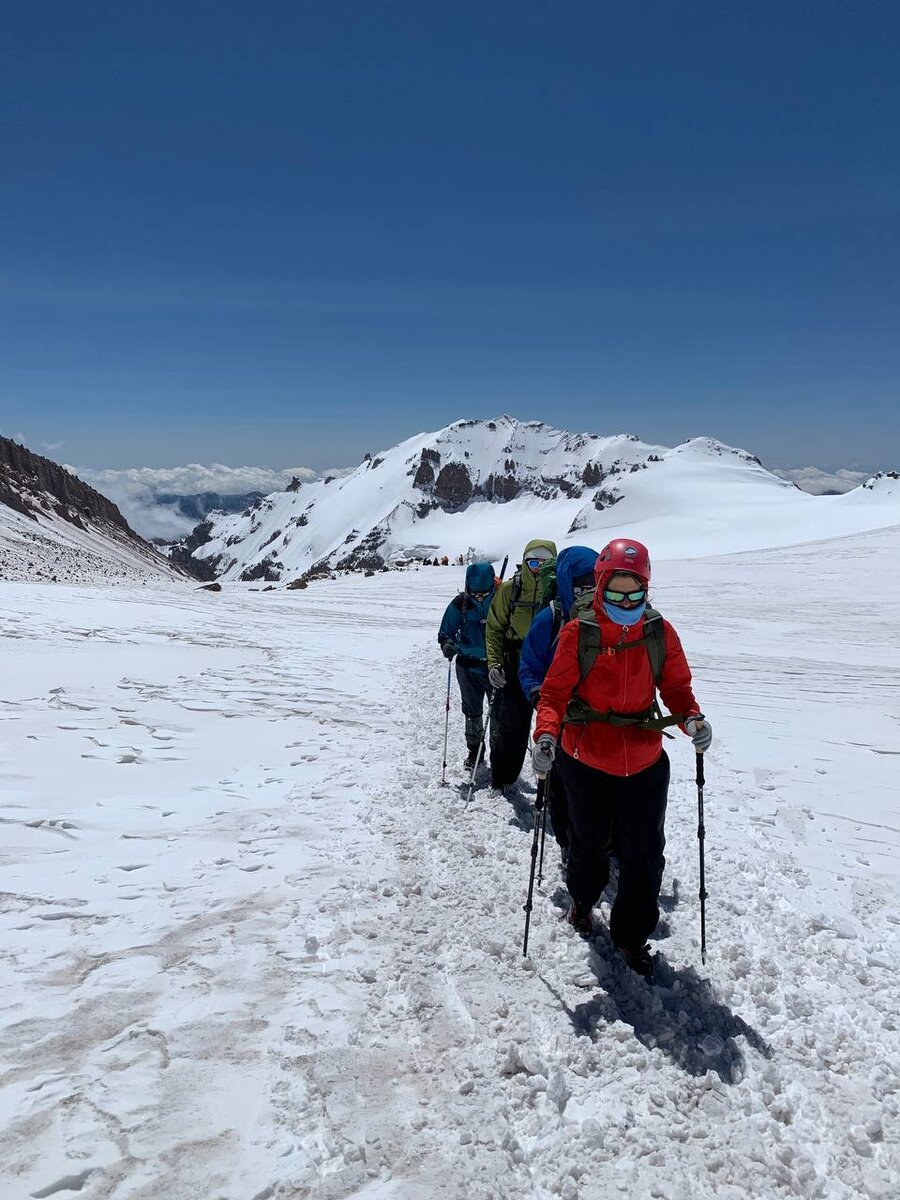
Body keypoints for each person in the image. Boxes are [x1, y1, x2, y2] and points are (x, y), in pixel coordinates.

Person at [531, 538, 712, 978]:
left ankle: (631, 936)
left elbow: (676, 688)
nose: (626, 600)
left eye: (635, 591)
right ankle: (582, 900)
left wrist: (692, 719)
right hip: (585, 758)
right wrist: (546, 736)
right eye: (617, 591)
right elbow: (553, 694)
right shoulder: (579, 633)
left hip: (645, 762)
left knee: (644, 854)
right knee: (588, 845)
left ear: (647, 588)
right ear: (600, 587)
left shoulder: (658, 632)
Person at [519, 545, 599, 864]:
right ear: (567, 584)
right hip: (562, 718)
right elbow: (529, 665)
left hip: (600, 720)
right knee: (564, 789)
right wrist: (539, 694)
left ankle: (599, 844)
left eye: (596, 582)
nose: (590, 592)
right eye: (582, 584)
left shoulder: (612, 619)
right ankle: (569, 843)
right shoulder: (550, 620)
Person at [486, 539, 557, 789]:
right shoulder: (510, 590)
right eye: (533, 562)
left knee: (554, 726)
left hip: (552, 665)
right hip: (515, 661)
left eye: (545, 563)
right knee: (512, 725)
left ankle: (552, 787)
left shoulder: (559, 591)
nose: (538, 568)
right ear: (526, 562)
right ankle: (503, 778)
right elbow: (494, 629)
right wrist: (494, 663)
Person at [438, 562, 497, 770]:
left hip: (495, 667)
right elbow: (446, 631)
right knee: (472, 713)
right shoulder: (460, 603)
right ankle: (475, 752)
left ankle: (498, 755)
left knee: (497, 713)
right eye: (475, 594)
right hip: (467, 667)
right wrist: (447, 644)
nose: (479, 597)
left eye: (483, 594)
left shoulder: (501, 599)